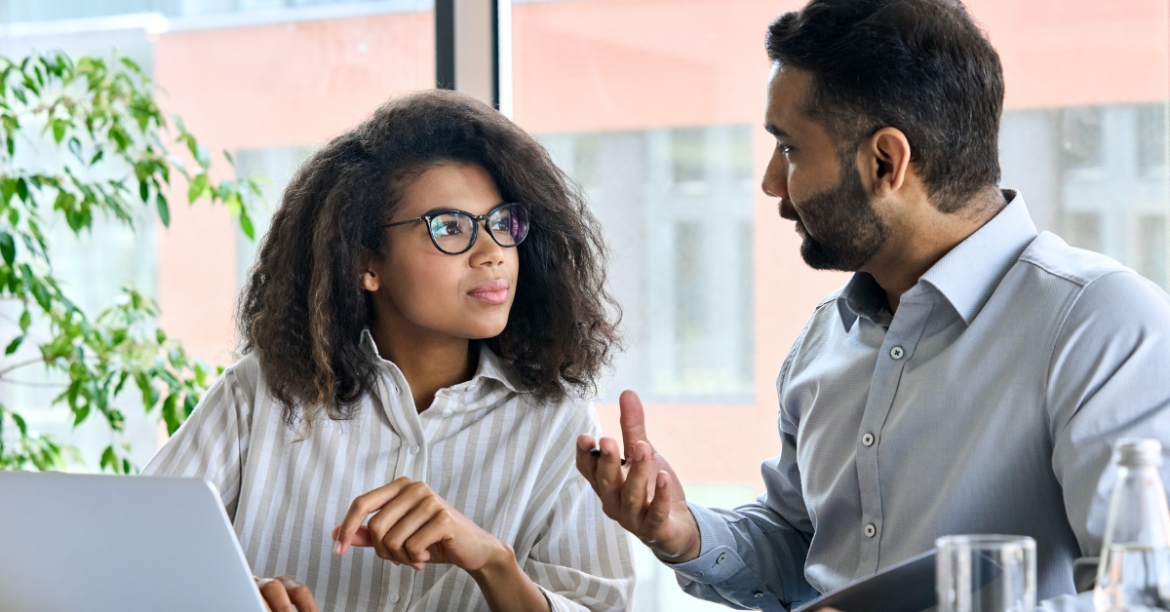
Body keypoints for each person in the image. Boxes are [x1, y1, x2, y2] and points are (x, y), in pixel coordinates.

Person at [575, 0, 1170, 610]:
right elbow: (803, 551)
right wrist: (684, 531)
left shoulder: (1103, 325)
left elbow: (1144, 597)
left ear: (886, 161)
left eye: (789, 149)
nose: (772, 185)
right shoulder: (825, 339)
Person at [144, 89, 635, 612]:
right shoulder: (262, 393)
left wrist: (494, 564)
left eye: (501, 223)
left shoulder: (559, 422)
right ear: (365, 263)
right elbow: (132, 557)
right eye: (449, 227)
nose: (493, 253)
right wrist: (237, 597)